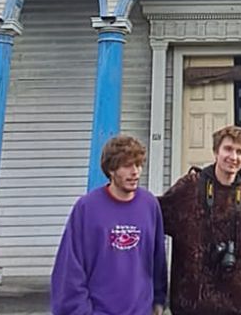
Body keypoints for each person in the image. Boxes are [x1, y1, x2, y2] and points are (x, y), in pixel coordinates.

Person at [50, 134, 167, 315]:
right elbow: (69, 271)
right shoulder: (87, 208)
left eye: (138, 165)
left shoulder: (149, 204)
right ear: (111, 169)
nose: (135, 172)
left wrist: (158, 301)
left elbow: (158, 259)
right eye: (127, 166)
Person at [159, 124, 241, 315]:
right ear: (216, 151)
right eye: (228, 149)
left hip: (237, 303)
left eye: (240, 152)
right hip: (191, 304)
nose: (233, 157)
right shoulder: (189, 187)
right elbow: (155, 217)